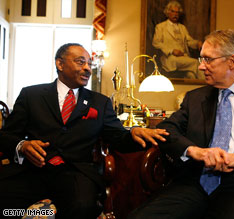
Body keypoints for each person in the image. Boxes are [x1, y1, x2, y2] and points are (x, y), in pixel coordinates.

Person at [128, 29, 234, 219]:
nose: (201, 67)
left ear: (232, 61)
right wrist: (195, 150)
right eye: (201, 59)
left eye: (208, 59)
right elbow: (166, 128)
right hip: (195, 182)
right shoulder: (195, 98)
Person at [0, 43, 168, 219]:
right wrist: (22, 145)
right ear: (60, 64)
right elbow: (5, 135)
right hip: (33, 170)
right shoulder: (31, 95)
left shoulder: (100, 103)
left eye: (90, 63)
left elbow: (118, 138)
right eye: (81, 62)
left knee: (83, 207)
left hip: (76, 174)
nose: (88, 68)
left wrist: (133, 133)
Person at [152, 0, 203, 79]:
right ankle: (205, 85)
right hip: (170, 59)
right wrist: (172, 51)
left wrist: (197, 43)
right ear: (168, 12)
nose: (175, 14)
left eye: (177, 12)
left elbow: (189, 41)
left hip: (184, 57)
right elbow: (156, 43)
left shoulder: (182, 28)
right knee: (196, 63)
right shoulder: (161, 27)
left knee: (191, 75)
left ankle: (197, 88)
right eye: (173, 12)